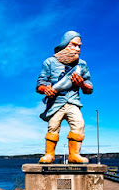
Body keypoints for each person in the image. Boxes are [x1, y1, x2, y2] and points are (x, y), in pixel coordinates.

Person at [36, 31, 93, 164]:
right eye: (74, 45)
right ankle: (49, 155)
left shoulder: (82, 65)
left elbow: (89, 88)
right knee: (53, 126)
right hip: (56, 103)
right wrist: (46, 89)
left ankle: (74, 155)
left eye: (79, 46)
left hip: (73, 102)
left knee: (79, 125)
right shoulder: (49, 62)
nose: (78, 49)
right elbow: (40, 84)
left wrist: (82, 84)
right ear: (65, 44)